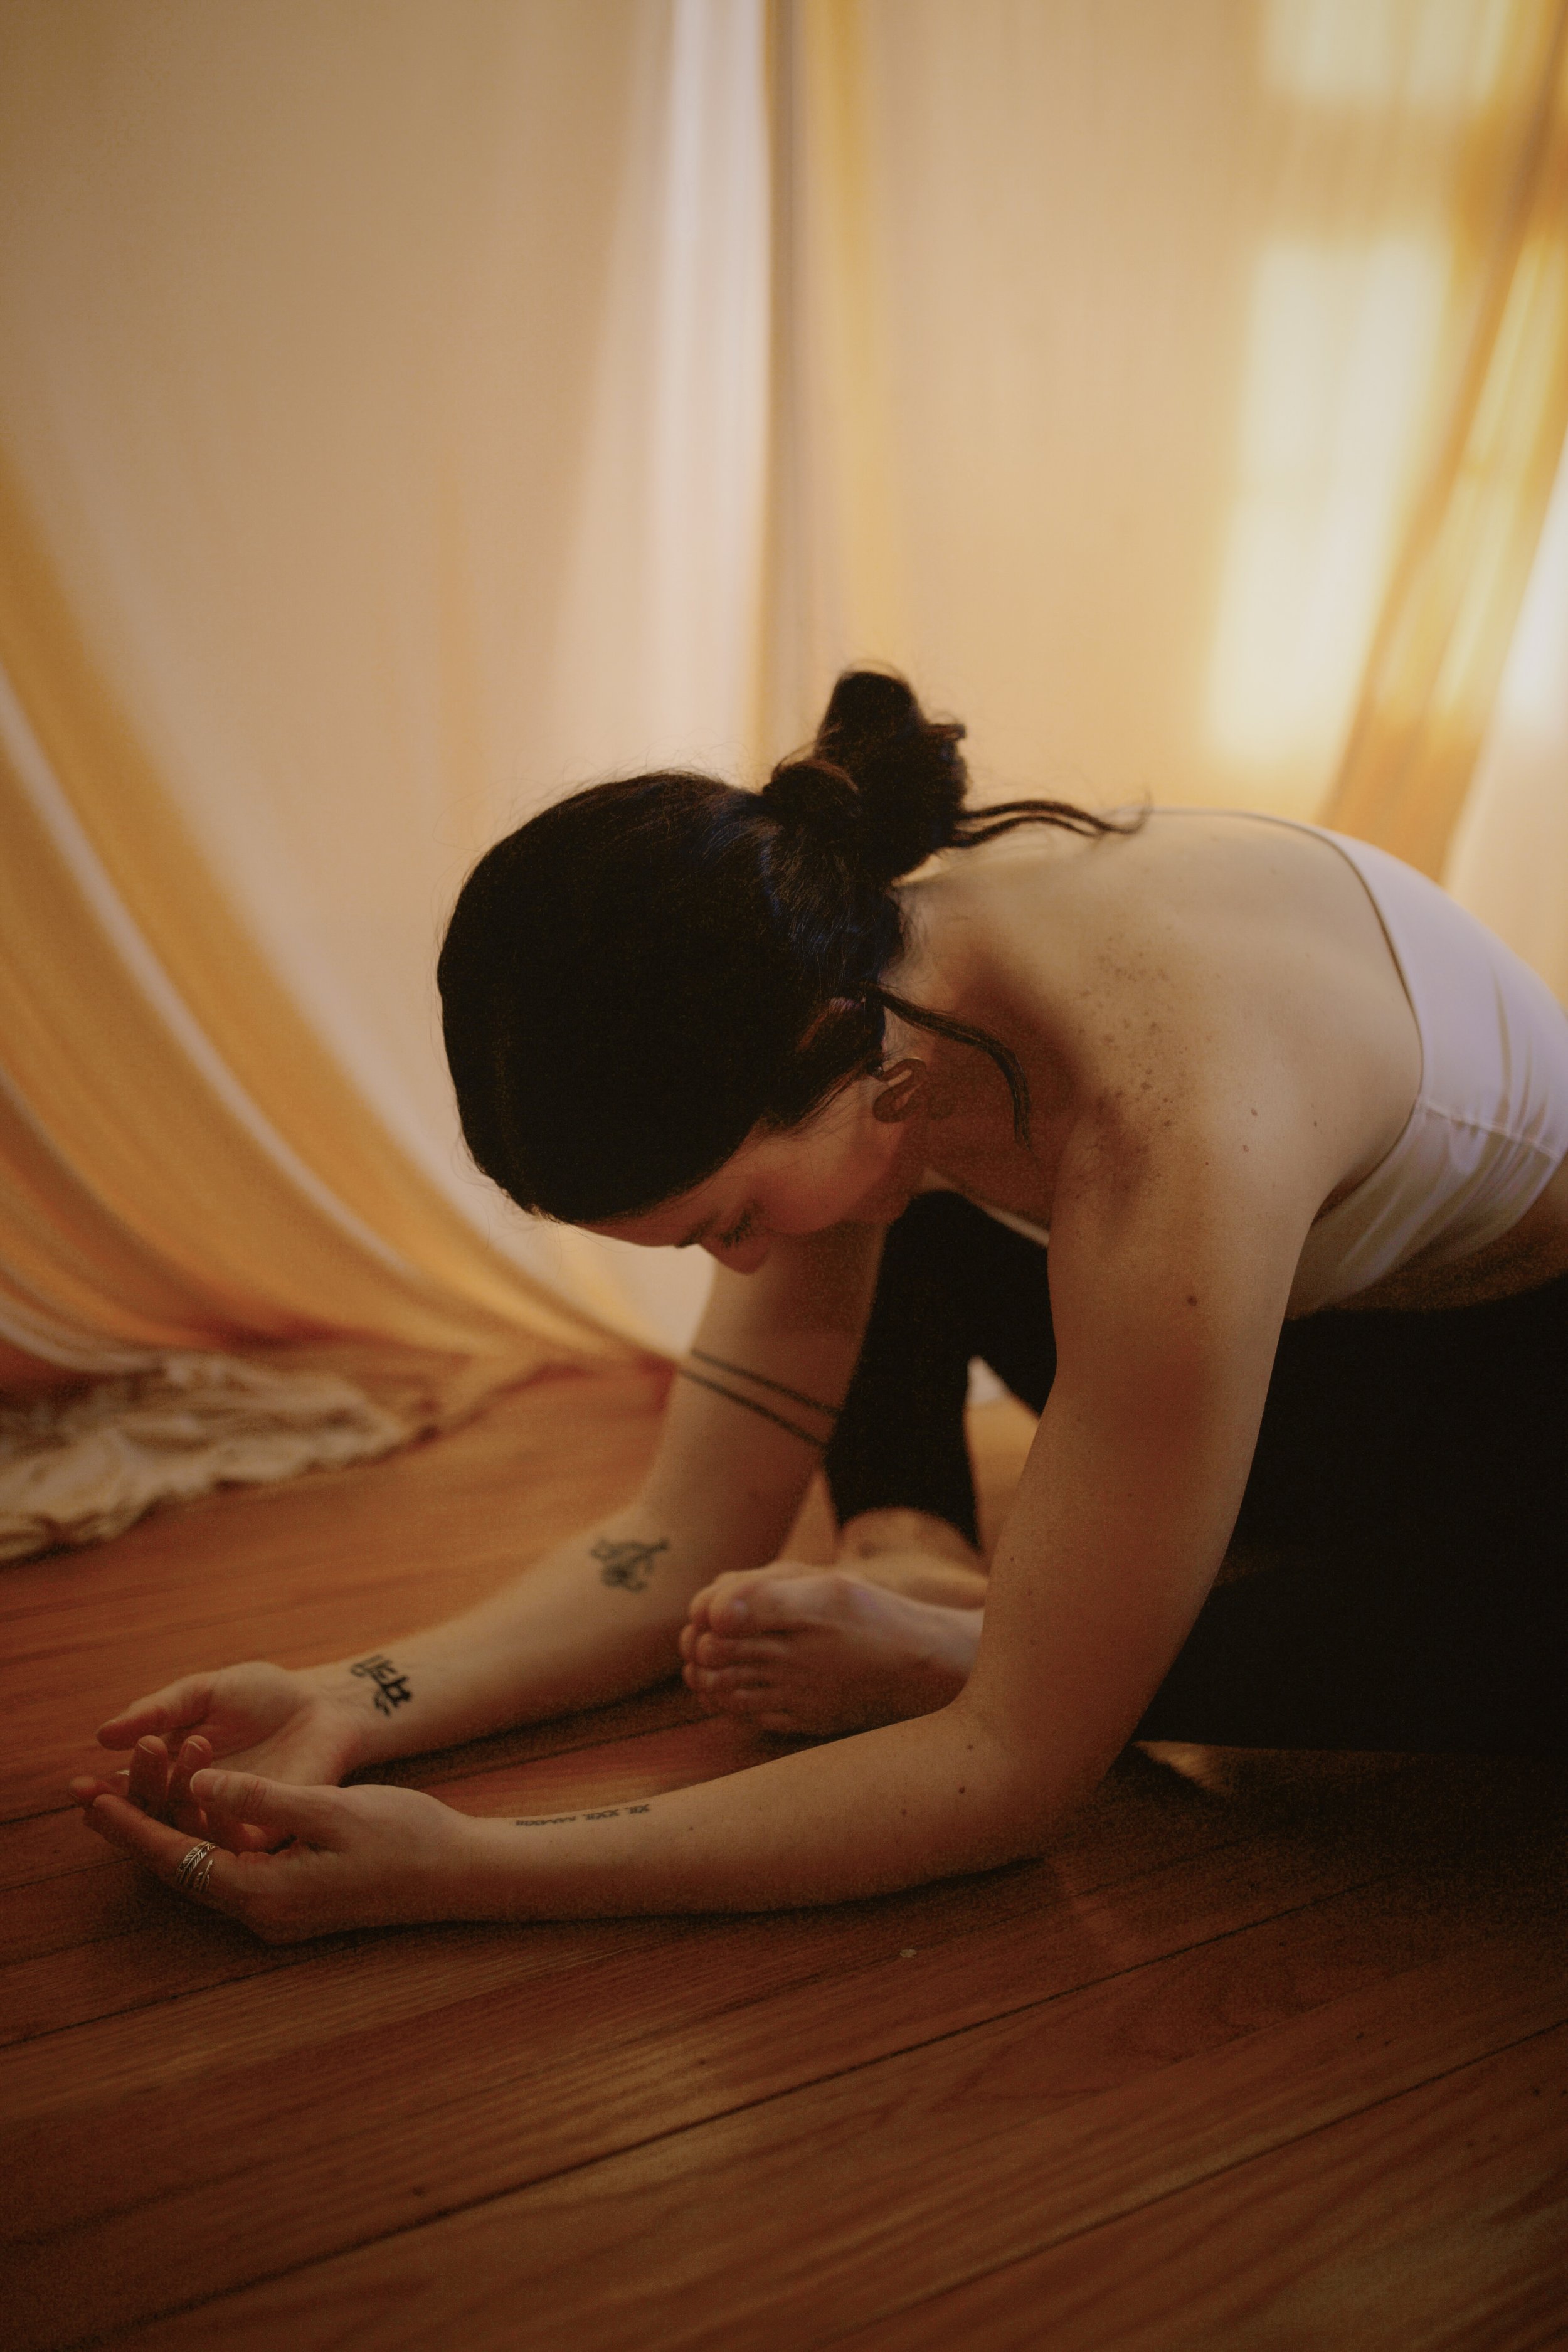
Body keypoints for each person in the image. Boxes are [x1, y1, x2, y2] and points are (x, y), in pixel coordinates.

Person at [70, 670, 1568, 1941]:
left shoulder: (1167, 1122)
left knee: (1474, 1649)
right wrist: (352, 1699)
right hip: (1293, 1331)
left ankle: (975, 1632)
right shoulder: (863, 979)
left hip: (1501, 1397)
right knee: (866, 1191)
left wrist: (472, 1867)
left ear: (832, 1052)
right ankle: (972, 1586)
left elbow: (1010, 1783)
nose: (731, 1274)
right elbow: (672, 1552)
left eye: (720, 1225)